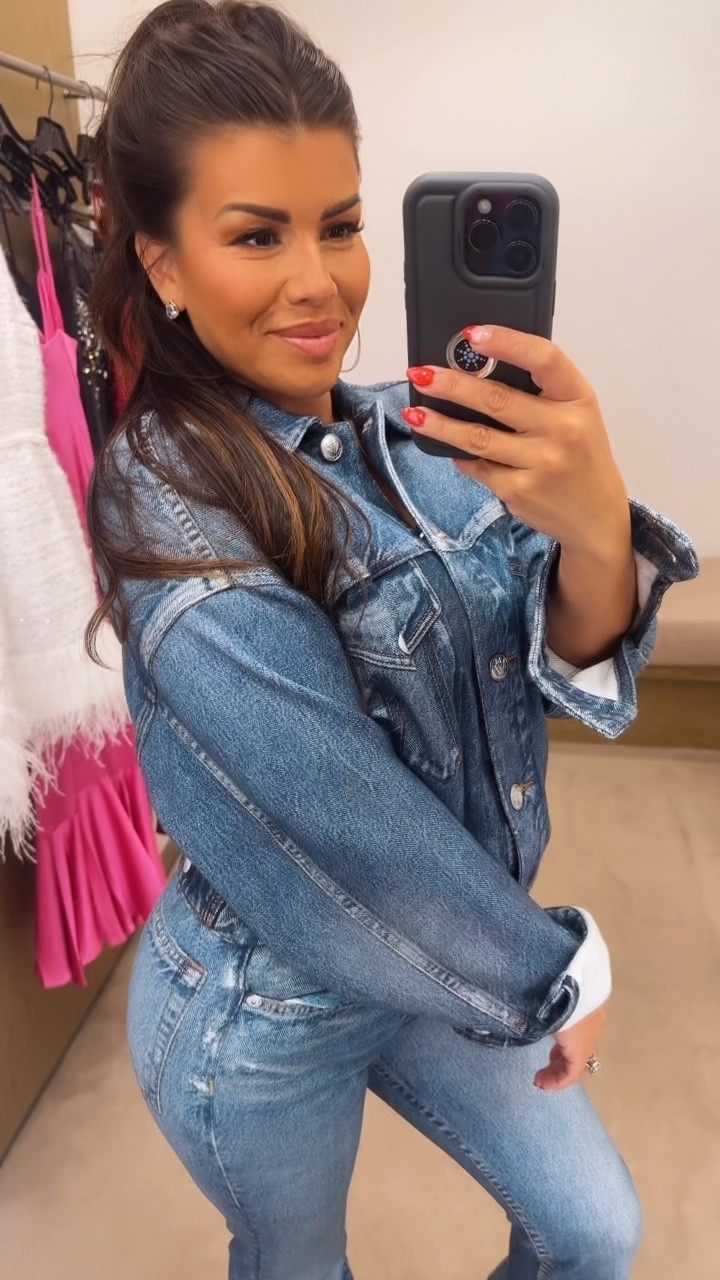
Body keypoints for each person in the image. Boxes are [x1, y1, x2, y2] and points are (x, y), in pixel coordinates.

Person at [86, 3, 698, 1277]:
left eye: (343, 223)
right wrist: (553, 973)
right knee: (299, 1262)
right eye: (257, 234)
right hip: (267, 1006)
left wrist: (595, 528)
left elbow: (561, 670)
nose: (320, 282)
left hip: (444, 952)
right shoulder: (168, 508)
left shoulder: (409, 434)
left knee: (594, 1232)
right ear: (162, 261)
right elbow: (344, 832)